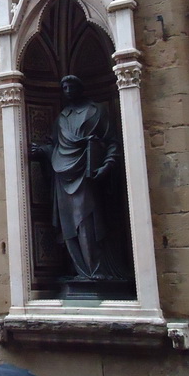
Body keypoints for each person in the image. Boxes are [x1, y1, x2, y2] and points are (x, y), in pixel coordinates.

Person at [29, 75, 121, 280]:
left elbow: (111, 142)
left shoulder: (97, 111)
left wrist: (107, 166)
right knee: (68, 225)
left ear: (81, 88)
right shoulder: (62, 117)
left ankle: (95, 270)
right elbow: (55, 146)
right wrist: (42, 151)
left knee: (86, 221)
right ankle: (80, 269)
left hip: (87, 174)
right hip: (63, 176)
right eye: (64, 87)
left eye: (71, 86)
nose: (68, 90)